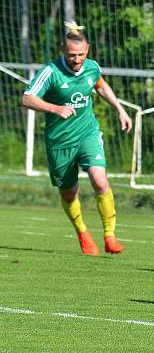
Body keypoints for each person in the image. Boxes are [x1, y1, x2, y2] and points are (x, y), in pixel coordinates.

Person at [21, 21, 131, 256]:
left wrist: (120, 109)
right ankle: (82, 232)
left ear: (88, 49)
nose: (77, 59)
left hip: (87, 133)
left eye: (81, 54)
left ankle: (110, 236)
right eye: (72, 55)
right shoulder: (50, 72)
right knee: (69, 192)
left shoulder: (92, 67)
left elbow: (100, 85)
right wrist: (54, 108)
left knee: (100, 179)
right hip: (59, 142)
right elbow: (27, 98)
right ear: (63, 50)